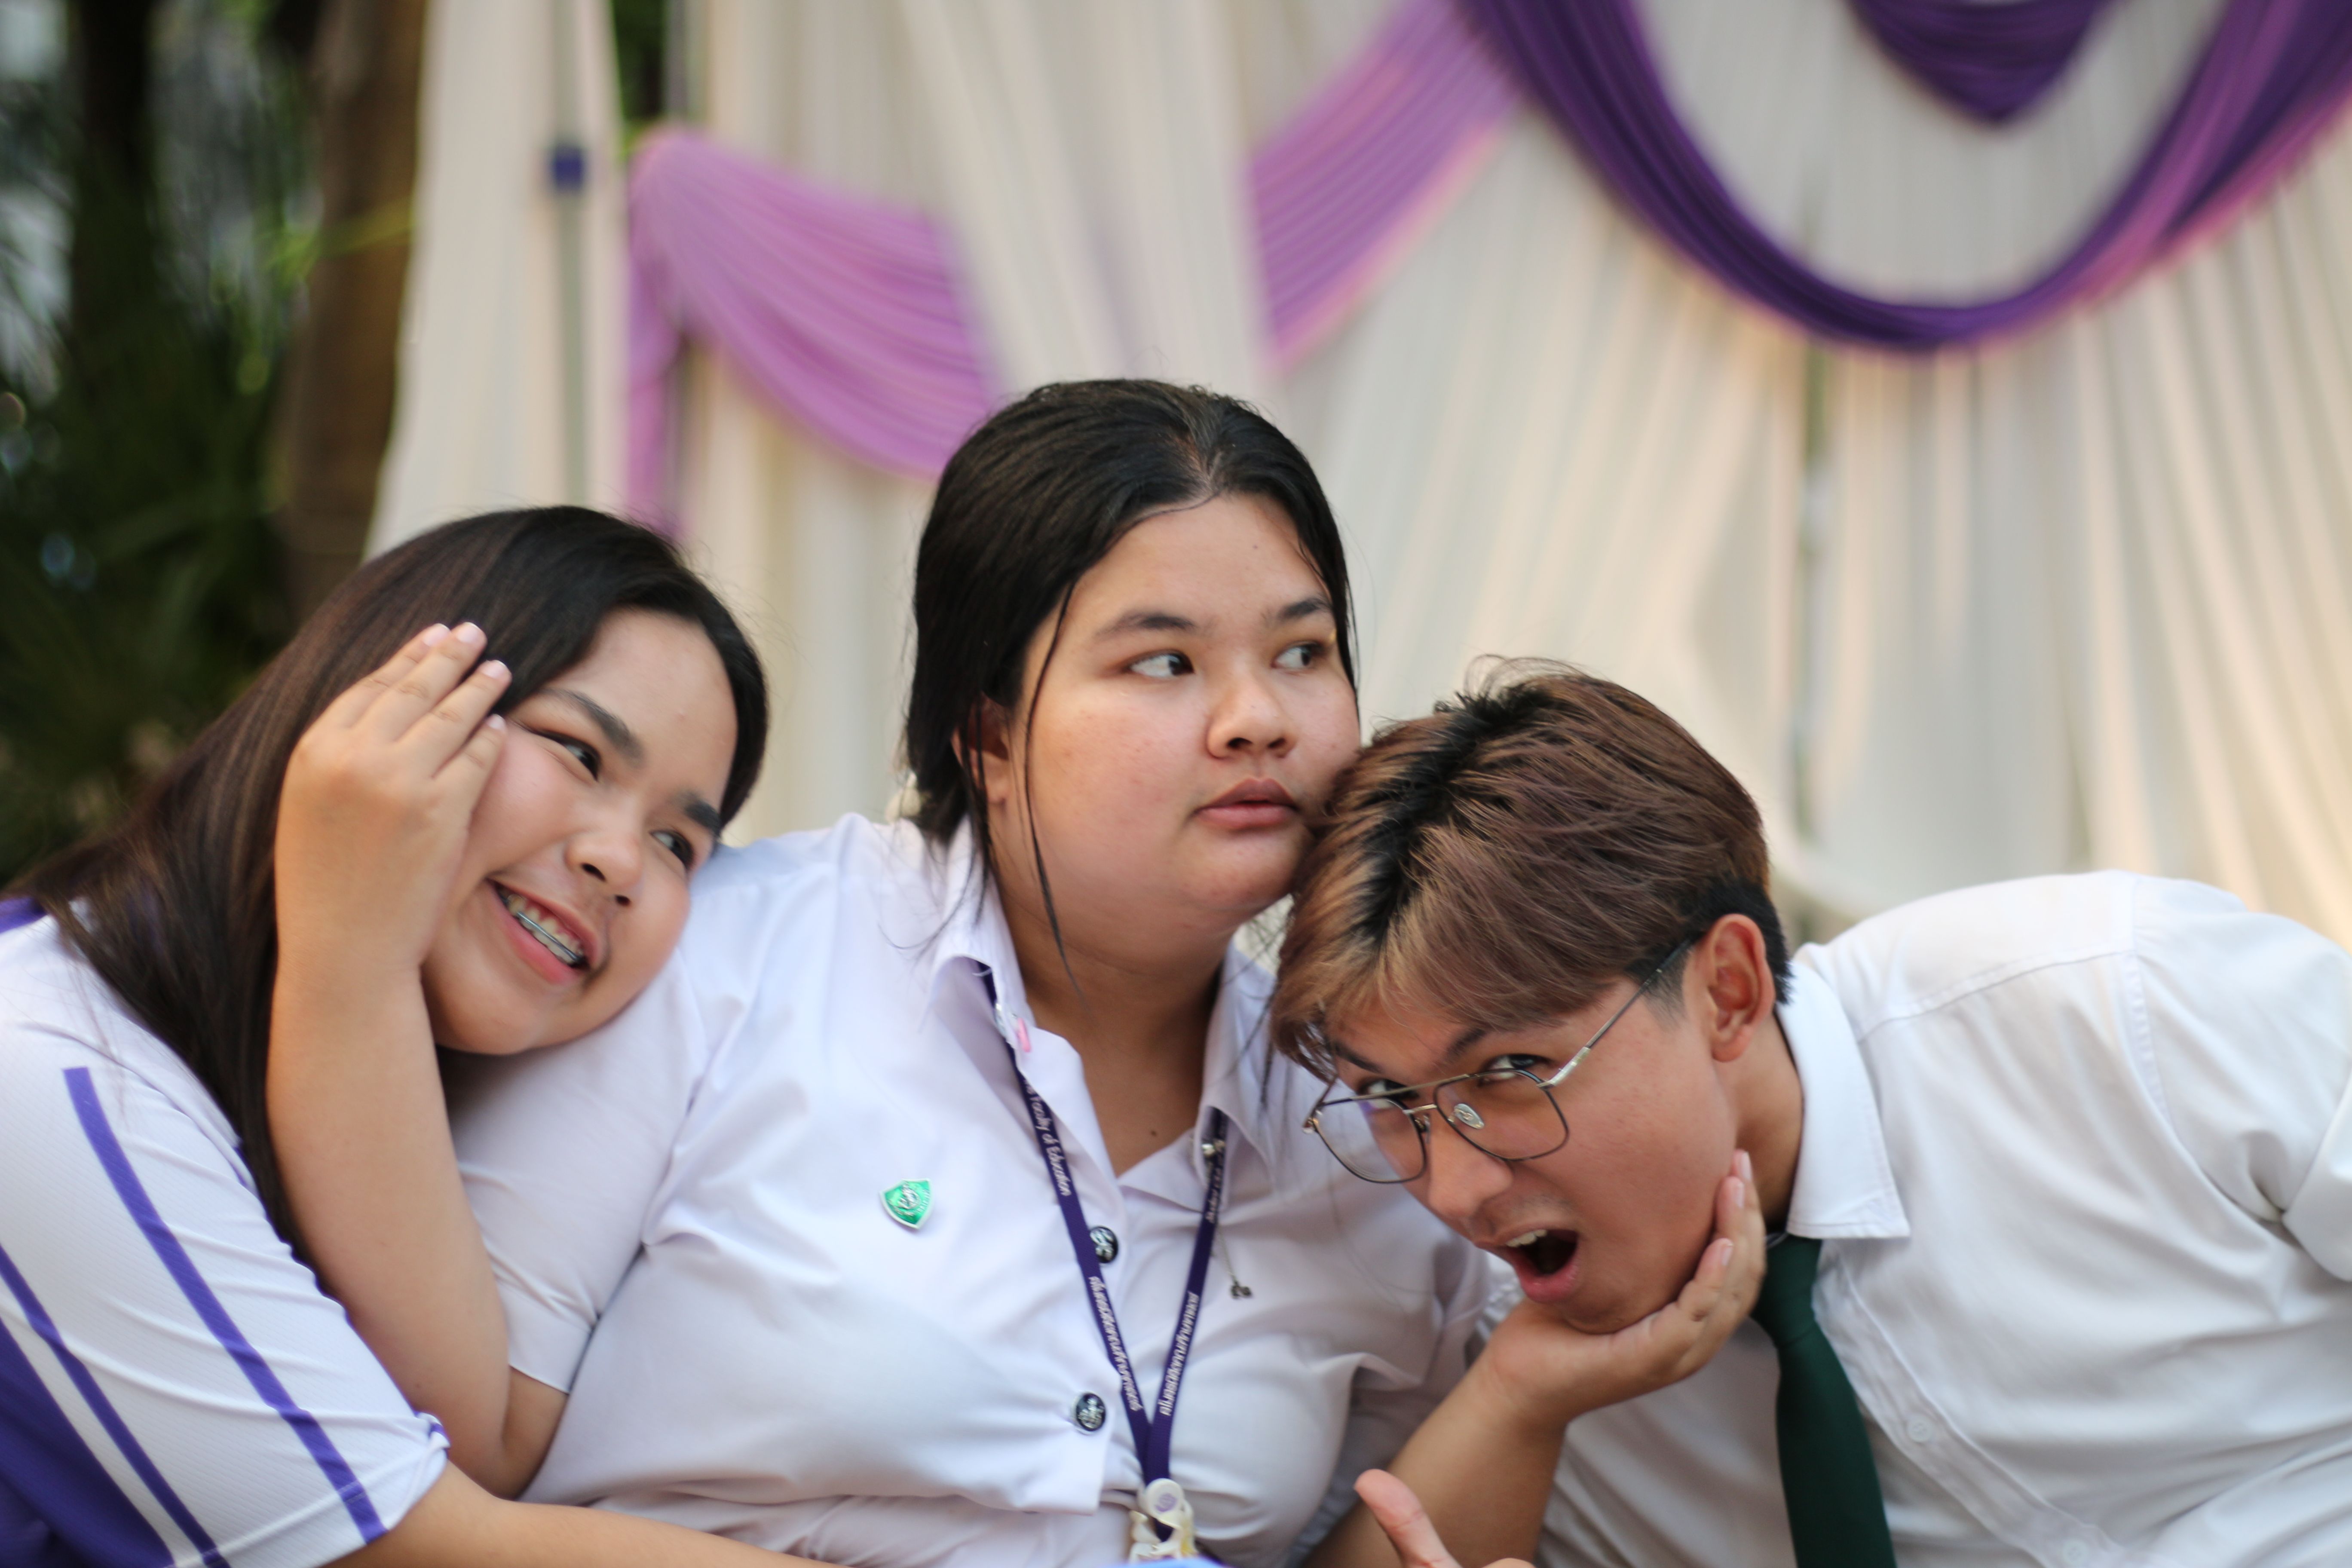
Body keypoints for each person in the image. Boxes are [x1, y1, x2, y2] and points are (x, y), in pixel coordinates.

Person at [267, 382, 1765, 1568]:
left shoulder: (1378, 1129)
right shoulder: (728, 955)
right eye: (1163, 662)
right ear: (987, 731)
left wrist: (1528, 1384)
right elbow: (452, 1444)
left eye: (1303, 653)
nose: (1256, 716)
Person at [1268, 659, 2352, 1568]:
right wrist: (1519, 1396)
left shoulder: (2120, 1004)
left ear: (1728, 990)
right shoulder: (1532, 1356)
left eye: (1513, 1069)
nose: (1455, 1190)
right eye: (1389, 1098)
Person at [0, 508, 843, 1567]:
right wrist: (352, 947)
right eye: (579, 752)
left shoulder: (434, 1101)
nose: (621, 861)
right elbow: (432, 1546)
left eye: (679, 842)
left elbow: (458, 1434)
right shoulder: (55, 1076)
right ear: (378, 713)